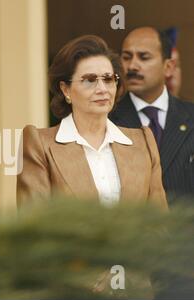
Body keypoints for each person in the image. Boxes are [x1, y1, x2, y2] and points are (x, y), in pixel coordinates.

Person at [17, 35, 167, 210]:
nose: (102, 89)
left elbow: (159, 221)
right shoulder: (39, 144)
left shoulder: (143, 141)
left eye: (108, 79)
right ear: (65, 90)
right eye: (90, 80)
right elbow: (34, 225)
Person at [109, 27, 194, 205]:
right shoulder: (106, 120)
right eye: (126, 57)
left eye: (144, 57)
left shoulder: (190, 116)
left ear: (168, 67)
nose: (132, 66)